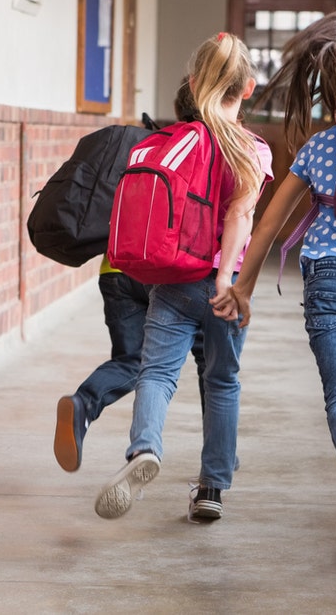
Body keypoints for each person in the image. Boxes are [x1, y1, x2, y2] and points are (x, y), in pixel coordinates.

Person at [211, 9, 336, 563]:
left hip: (330, 281)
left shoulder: (320, 149)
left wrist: (243, 287)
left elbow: (270, 223)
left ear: (332, 93)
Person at [94, 32, 273, 522]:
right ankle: (212, 487)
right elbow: (240, 217)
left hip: (173, 279)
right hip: (225, 286)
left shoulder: (176, 141)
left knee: (156, 373)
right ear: (250, 88)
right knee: (222, 381)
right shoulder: (252, 150)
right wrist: (226, 282)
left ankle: (145, 448)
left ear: (194, 85)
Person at [53, 81, 209, 474]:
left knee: (133, 359)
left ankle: (84, 402)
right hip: (166, 273)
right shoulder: (202, 149)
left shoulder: (141, 144)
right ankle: (217, 453)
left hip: (116, 269)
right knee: (213, 362)